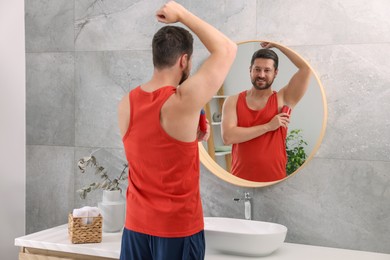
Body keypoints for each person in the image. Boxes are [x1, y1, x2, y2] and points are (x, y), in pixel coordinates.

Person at [117, 2, 237, 259]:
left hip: (135, 228)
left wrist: (196, 120)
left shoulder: (127, 103)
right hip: (177, 230)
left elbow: (155, 143)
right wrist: (181, 14)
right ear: (184, 60)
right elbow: (227, 49)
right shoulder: (183, 101)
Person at [221, 42, 311, 182]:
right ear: (250, 70)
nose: (261, 75)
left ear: (275, 73)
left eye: (267, 70)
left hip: (275, 181)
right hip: (240, 179)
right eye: (257, 69)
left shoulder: (283, 99)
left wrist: (278, 45)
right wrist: (268, 126)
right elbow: (228, 137)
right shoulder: (232, 101)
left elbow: (305, 69)